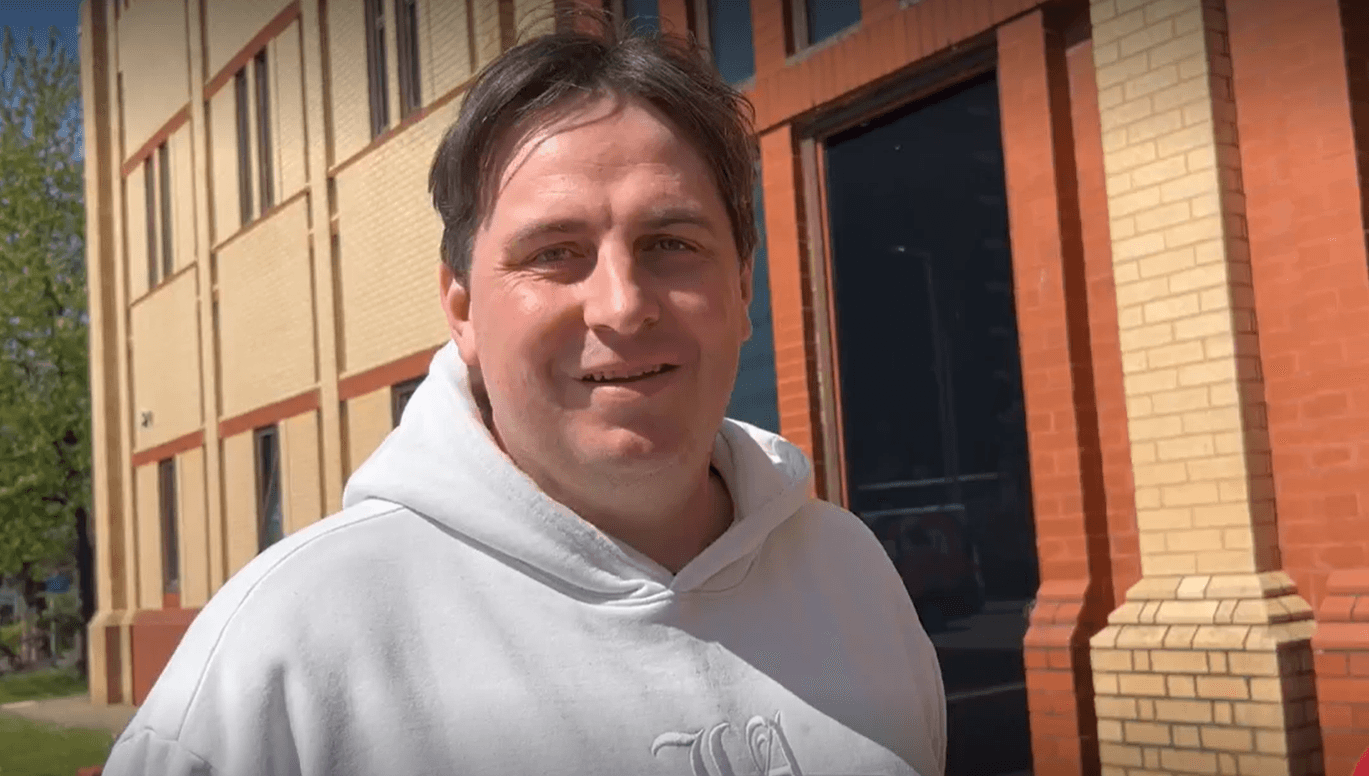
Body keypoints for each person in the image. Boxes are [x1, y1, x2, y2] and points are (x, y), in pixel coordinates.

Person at [102, 13, 945, 776]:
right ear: (462, 310)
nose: (622, 306)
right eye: (553, 253)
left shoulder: (847, 575)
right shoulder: (286, 654)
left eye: (670, 242)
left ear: (743, 287)